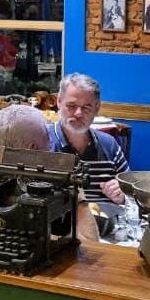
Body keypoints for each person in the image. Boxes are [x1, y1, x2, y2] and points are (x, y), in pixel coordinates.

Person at [0, 103, 98, 243]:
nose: (51, 140)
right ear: (33, 149)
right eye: (47, 135)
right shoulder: (62, 182)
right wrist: (79, 199)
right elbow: (92, 242)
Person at [48, 72, 129, 204]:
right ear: (59, 102)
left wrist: (122, 195)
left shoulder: (109, 145)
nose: (78, 113)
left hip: (105, 221)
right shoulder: (43, 142)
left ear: (97, 108)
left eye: (86, 107)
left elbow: (130, 194)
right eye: (71, 106)